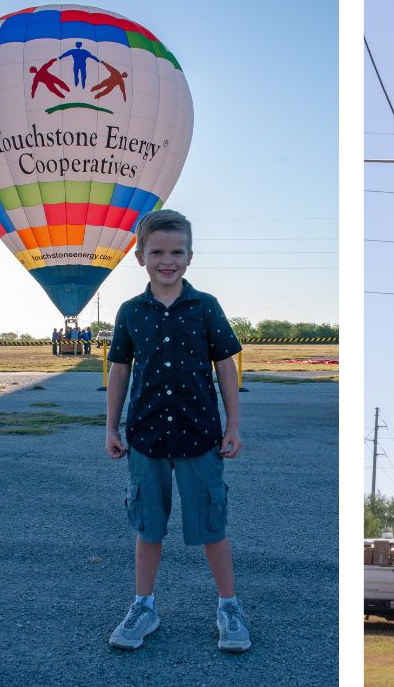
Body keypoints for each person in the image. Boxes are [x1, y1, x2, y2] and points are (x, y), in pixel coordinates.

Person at [103, 209, 250, 653]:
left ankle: (229, 606)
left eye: (177, 252)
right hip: (145, 438)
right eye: (157, 252)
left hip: (199, 436)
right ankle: (143, 606)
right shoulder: (130, 312)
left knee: (211, 524)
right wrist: (111, 425)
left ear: (190, 256)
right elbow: (120, 369)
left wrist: (233, 425)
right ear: (140, 255)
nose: (167, 260)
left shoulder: (205, 307)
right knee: (148, 527)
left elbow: (225, 365)